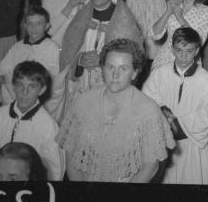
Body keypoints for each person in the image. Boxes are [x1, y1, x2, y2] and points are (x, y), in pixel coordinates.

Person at [57, 38, 175, 182]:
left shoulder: (149, 111)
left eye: (123, 68)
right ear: (102, 69)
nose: (115, 75)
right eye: (110, 67)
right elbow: (71, 155)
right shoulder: (83, 103)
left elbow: (151, 167)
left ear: (134, 73)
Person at [59, 0, 143, 112]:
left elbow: (135, 62)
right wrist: (79, 60)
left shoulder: (125, 24)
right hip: (81, 88)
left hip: (109, 90)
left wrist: (103, 61)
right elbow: (67, 53)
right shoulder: (80, 18)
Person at [0, 61, 64, 181]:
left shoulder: (48, 127)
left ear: (42, 90)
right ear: (13, 86)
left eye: (32, 86)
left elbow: (55, 173)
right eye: (20, 84)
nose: (24, 92)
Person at [142, 27, 208, 184]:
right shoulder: (160, 73)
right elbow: (148, 97)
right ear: (171, 49)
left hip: (192, 144)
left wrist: (176, 124)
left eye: (189, 51)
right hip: (164, 140)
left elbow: (207, 117)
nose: (183, 56)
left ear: (197, 50)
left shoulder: (205, 80)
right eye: (179, 50)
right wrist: (162, 110)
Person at [0, 6, 61, 116]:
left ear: (47, 26)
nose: (34, 27)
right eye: (30, 24)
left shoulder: (52, 49)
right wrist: (3, 77)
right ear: (25, 25)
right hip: (16, 97)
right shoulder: (17, 47)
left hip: (40, 102)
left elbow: (54, 79)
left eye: (38, 23)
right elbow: (5, 68)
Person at [148, 0, 208, 71]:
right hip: (165, 59)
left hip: (188, 60)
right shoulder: (174, 6)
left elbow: (199, 41)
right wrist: (168, 11)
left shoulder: (206, 11)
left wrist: (180, 17)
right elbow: (155, 34)